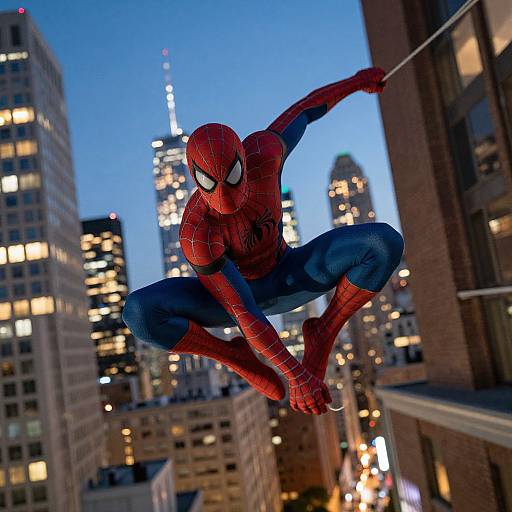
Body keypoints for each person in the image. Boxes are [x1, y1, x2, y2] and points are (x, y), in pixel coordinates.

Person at [123, 67, 404, 415]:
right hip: (231, 301)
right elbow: (245, 312)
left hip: (288, 272)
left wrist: (356, 82)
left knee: (383, 244)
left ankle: (324, 332)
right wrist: (295, 375)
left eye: (233, 177)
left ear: (244, 158)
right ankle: (234, 356)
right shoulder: (198, 232)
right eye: (211, 185)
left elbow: (304, 110)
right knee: (139, 313)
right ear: (196, 179)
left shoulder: (265, 152)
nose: (226, 196)